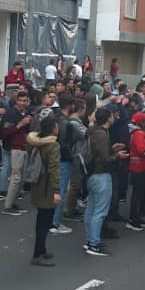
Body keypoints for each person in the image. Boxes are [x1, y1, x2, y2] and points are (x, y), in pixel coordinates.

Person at [84, 108, 128, 256]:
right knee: (100, 211)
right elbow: (105, 158)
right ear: (108, 118)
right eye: (111, 116)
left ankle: (90, 240)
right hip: (101, 175)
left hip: (90, 174)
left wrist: (112, 149)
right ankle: (94, 244)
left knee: (91, 209)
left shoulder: (93, 131)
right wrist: (117, 155)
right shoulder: (102, 134)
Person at [27, 114, 61, 266]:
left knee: (42, 218)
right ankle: (37, 254)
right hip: (47, 187)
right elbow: (54, 169)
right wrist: (56, 190)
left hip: (37, 183)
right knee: (45, 220)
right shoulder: (53, 146)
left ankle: (41, 249)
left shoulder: (35, 143)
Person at [53, 95, 86, 234]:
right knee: (60, 191)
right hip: (63, 159)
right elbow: (64, 143)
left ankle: (55, 220)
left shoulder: (58, 118)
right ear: (70, 106)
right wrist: (71, 156)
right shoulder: (65, 122)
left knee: (59, 189)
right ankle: (56, 222)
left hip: (58, 158)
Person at [0, 91, 32, 216]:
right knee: (16, 178)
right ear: (16, 101)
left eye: (25, 100)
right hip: (14, 148)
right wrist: (20, 125)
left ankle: (12, 202)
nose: (23, 103)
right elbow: (4, 132)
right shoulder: (11, 114)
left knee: (21, 178)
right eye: (20, 100)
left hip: (22, 148)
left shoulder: (25, 114)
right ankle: (7, 206)